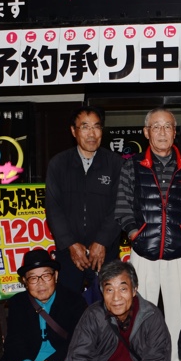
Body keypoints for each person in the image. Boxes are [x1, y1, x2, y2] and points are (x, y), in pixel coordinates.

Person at [114, 108, 181, 361]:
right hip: (143, 253)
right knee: (141, 317)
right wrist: (134, 233)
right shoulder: (132, 165)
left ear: (175, 132)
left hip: (178, 253)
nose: (162, 132)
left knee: (179, 318)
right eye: (156, 126)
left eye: (167, 127)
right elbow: (123, 204)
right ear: (146, 132)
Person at [0, 249, 86, 361]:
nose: (40, 283)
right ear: (25, 281)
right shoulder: (18, 302)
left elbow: (77, 343)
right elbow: (13, 340)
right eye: (33, 278)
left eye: (46, 276)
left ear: (55, 276)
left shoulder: (73, 300)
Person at [45, 106, 122, 293]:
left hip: (106, 251)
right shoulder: (58, 164)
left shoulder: (116, 164)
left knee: (110, 301)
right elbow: (53, 209)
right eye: (85, 127)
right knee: (69, 302)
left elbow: (120, 205)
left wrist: (102, 241)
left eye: (96, 127)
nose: (91, 134)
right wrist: (71, 244)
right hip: (69, 252)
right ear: (74, 131)